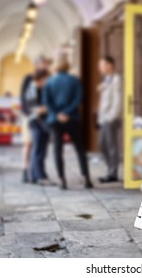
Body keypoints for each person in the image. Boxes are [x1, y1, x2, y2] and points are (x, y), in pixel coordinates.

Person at [43, 54, 93, 190]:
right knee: (79, 149)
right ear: (67, 66)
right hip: (73, 118)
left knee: (57, 150)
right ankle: (86, 178)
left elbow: (47, 101)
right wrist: (68, 112)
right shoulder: (74, 80)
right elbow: (78, 98)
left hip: (55, 119)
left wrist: (58, 113)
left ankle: (62, 179)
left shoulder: (49, 82)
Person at [20, 55, 50, 183]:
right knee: (30, 145)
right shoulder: (30, 82)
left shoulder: (44, 83)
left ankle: (36, 174)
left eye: (45, 63)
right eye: (42, 63)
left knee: (40, 147)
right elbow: (26, 100)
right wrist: (29, 112)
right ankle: (28, 171)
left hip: (41, 119)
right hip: (32, 118)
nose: (44, 65)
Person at [96, 56, 122, 183]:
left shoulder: (116, 79)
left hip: (110, 118)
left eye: (102, 65)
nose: (99, 68)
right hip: (104, 118)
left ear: (109, 65)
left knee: (111, 145)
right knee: (102, 144)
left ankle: (113, 173)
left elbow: (118, 99)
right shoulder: (106, 80)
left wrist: (112, 116)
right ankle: (110, 170)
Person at [27, 69, 52, 185]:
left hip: (43, 122)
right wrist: (45, 109)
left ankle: (35, 175)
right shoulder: (32, 89)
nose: (48, 81)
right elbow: (34, 108)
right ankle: (40, 176)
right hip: (36, 122)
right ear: (41, 78)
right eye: (46, 78)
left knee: (41, 149)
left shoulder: (41, 89)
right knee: (38, 149)